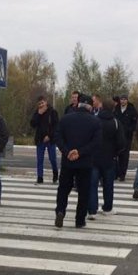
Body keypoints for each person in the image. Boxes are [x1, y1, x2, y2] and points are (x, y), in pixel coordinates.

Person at [54, 96, 102, 228]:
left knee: (63, 189)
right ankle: (80, 220)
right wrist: (80, 152)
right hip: (85, 162)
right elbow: (96, 142)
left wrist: (67, 151)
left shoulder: (65, 119)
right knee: (84, 191)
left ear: (78, 105)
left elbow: (57, 137)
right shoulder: (95, 122)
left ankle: (60, 211)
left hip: (68, 161)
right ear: (90, 107)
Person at [88, 98, 125, 218]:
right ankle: (107, 208)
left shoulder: (94, 120)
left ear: (102, 107)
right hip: (109, 158)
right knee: (108, 185)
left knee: (92, 185)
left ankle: (92, 210)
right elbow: (121, 143)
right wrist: (115, 153)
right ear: (113, 108)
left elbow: (88, 138)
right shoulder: (116, 122)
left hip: (94, 157)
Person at [30, 95, 59, 183]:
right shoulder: (37, 112)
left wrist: (49, 136)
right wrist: (39, 114)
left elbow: (56, 126)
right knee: (40, 159)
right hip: (40, 139)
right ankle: (40, 177)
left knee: (52, 158)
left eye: (42, 103)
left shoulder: (52, 112)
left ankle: (55, 172)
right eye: (39, 104)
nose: (41, 105)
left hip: (50, 139)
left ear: (46, 102)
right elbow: (33, 124)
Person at [114, 93, 138, 180]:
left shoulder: (132, 110)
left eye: (124, 99)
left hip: (127, 136)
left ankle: (122, 174)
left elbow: (135, 123)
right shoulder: (116, 109)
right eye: (121, 99)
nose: (123, 101)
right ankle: (116, 173)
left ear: (127, 100)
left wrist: (130, 129)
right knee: (115, 155)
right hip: (116, 136)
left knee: (124, 156)